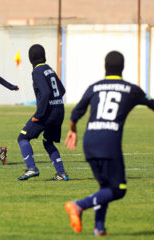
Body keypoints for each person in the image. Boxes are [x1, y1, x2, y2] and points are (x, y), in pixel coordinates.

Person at [64, 51, 154, 236]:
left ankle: (99, 228)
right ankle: (78, 205)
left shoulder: (94, 87)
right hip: (109, 143)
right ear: (123, 67)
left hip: (89, 142)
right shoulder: (131, 89)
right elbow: (150, 103)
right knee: (119, 190)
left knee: (105, 188)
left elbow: (76, 113)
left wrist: (73, 130)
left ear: (105, 66)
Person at [17, 44, 68, 181]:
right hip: (59, 111)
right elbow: (62, 90)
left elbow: (45, 92)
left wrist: (39, 114)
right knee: (48, 142)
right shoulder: (49, 69)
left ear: (31, 58)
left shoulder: (37, 71)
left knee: (22, 138)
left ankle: (31, 168)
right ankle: (61, 173)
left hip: (48, 113)